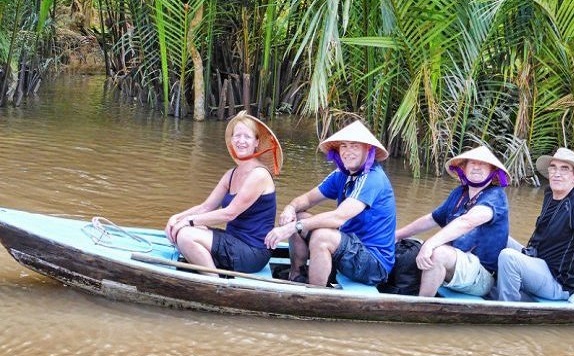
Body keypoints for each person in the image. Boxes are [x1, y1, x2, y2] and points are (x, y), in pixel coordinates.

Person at [264, 120, 396, 287]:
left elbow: (338, 218)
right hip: (350, 247)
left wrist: (294, 227)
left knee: (321, 237)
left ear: (367, 150)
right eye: (344, 146)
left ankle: (315, 296)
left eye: (354, 146)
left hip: (374, 264)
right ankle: (297, 275)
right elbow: (307, 199)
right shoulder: (341, 174)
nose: (348, 152)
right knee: (296, 216)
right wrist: (290, 208)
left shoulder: (373, 178)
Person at [496, 148, 574, 318]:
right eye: (553, 167)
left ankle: (505, 313)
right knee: (499, 236)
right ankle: (487, 283)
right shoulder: (550, 194)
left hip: (557, 283)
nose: (557, 173)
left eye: (564, 169)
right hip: (538, 261)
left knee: (508, 257)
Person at [164, 111, 283, 275]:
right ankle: (211, 271)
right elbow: (206, 207)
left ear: (256, 142)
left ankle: (213, 283)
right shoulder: (231, 174)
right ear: (232, 140)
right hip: (233, 241)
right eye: (237, 136)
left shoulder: (259, 175)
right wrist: (177, 218)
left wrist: (189, 222)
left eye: (247, 137)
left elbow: (229, 213)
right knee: (178, 232)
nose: (241, 141)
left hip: (252, 252)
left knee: (185, 236)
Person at [395, 146, 510, 297]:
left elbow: (467, 221)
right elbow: (431, 219)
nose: (476, 167)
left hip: (481, 276)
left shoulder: (496, 196)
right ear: (464, 167)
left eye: (482, 164)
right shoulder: (459, 193)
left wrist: (430, 244)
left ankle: (422, 306)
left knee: (438, 253)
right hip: (457, 265)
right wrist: (397, 235)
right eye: (472, 163)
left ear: (492, 171)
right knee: (412, 244)